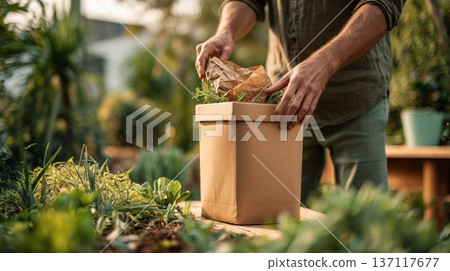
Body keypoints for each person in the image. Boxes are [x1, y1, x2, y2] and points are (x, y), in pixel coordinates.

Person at [195, 0, 405, 202]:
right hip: (284, 108)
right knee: (274, 216)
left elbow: (383, 3)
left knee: (368, 224)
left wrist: (325, 63)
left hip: (355, 97)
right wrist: (226, 31)